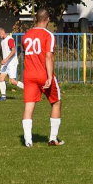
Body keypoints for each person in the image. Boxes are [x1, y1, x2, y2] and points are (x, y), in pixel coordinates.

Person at [20, 8, 63, 147]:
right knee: (56, 102)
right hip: (43, 74)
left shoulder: (26, 36)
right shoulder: (48, 35)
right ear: (48, 19)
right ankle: (53, 138)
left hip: (29, 75)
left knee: (28, 107)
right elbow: (48, 56)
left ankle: (28, 140)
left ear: (35, 19)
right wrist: (50, 77)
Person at [0, 26, 24, 101]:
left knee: (12, 81)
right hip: (6, 63)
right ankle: (3, 96)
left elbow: (13, 51)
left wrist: (6, 59)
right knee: (1, 78)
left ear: (2, 31)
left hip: (12, 63)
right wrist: (4, 61)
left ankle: (28, 89)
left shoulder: (10, 39)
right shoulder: (2, 41)